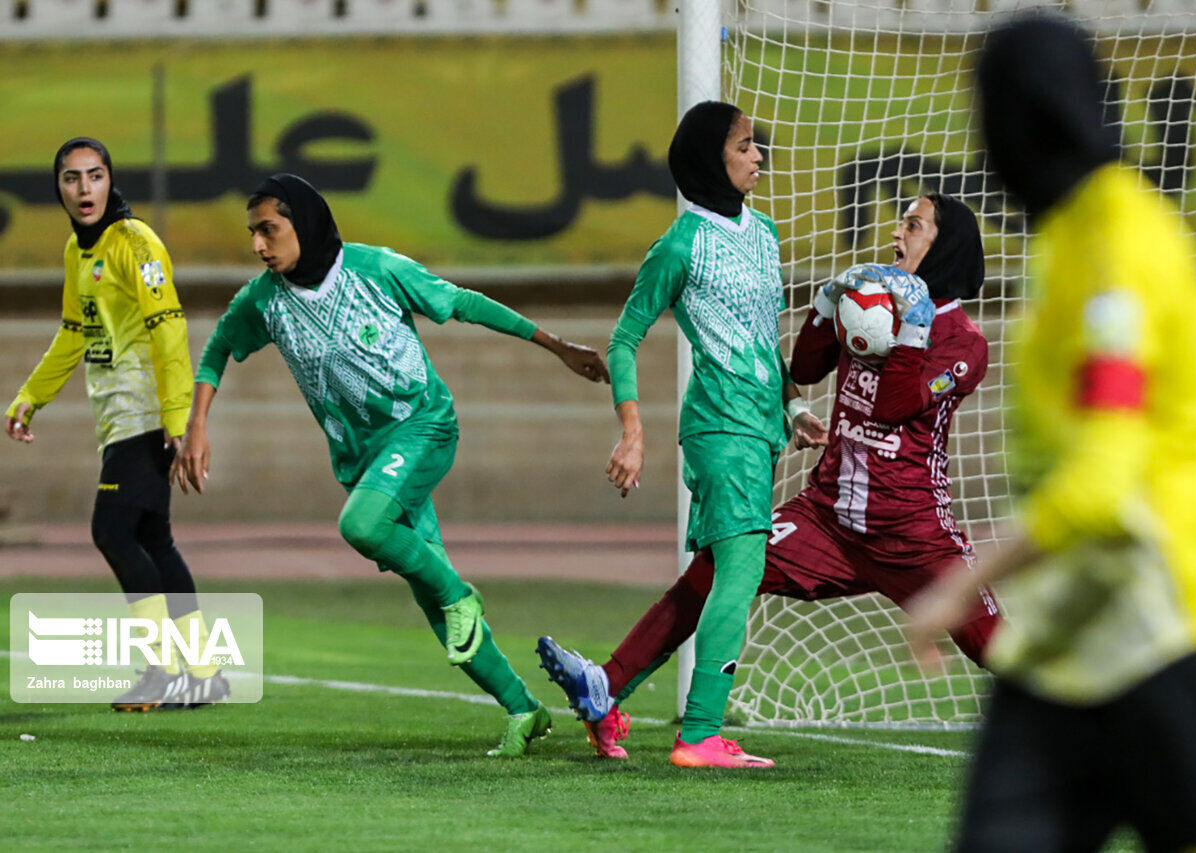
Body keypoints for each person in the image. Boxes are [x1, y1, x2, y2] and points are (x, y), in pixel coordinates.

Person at [906, 14, 1196, 852]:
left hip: (1177, 638)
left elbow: (1107, 474)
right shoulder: (1066, 241)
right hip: (1069, 648)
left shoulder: (1120, 241)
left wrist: (963, 584)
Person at [538, 192, 1001, 760]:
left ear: (944, 244)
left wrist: (909, 329)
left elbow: (893, 405)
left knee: (995, 645)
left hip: (913, 533)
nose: (896, 233)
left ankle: (1095, 729)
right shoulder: (876, 305)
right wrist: (829, 306)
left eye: (913, 225)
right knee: (714, 572)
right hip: (827, 519)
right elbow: (805, 368)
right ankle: (605, 688)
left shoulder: (964, 344)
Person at [172, 173, 609, 756]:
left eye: (268, 230)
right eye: (253, 233)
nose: (257, 244)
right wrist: (197, 424)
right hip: (366, 460)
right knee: (429, 600)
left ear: (303, 222)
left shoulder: (376, 269)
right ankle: (523, 709)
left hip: (423, 426)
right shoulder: (264, 300)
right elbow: (219, 346)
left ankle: (462, 594)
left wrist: (558, 346)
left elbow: (463, 304)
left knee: (363, 527)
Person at [4, 137, 221, 712]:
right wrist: (32, 395)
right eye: (71, 179)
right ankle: (202, 671)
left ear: (110, 181)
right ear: (58, 188)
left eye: (94, 176)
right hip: (118, 417)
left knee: (112, 530)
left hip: (146, 414)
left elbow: (170, 329)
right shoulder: (79, 252)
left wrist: (178, 420)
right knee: (152, 537)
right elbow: (75, 331)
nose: (83, 189)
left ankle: (161, 669)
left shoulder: (135, 243)